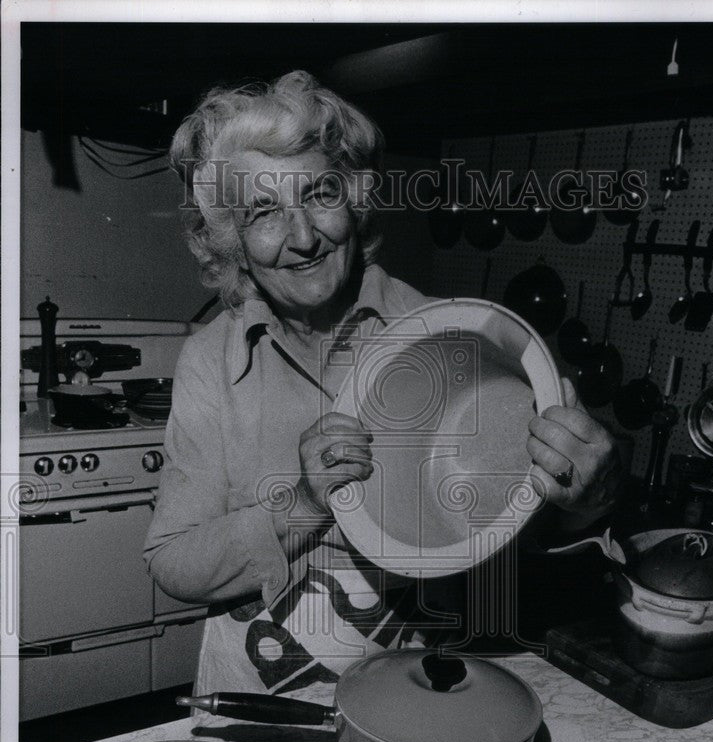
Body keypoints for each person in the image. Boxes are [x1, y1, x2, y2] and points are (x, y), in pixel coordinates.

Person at [144, 71, 621, 699]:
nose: (305, 238)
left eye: (319, 194)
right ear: (234, 240)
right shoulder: (211, 360)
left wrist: (588, 496)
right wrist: (306, 504)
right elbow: (173, 563)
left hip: (413, 699)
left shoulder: (450, 338)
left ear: (354, 196)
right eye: (264, 212)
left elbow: (516, 539)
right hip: (256, 708)